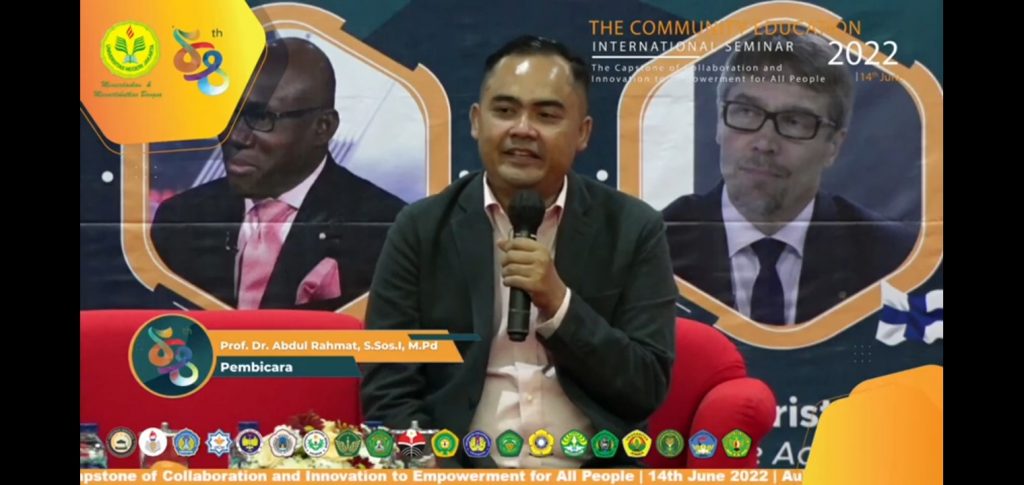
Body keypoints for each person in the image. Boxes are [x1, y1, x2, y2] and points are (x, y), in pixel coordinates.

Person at [360, 35, 677, 468]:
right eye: (505, 111)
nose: (522, 130)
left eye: (546, 115)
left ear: (582, 133)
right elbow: (388, 391)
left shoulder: (633, 229)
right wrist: (438, 471)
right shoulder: (420, 228)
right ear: (476, 121)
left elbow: (646, 386)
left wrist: (560, 304)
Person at [662, 31, 917, 325]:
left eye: (794, 122)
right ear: (720, 122)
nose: (764, 143)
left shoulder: (898, 261)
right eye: (747, 112)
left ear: (833, 146)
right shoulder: (652, 248)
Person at [151, 37, 406, 310]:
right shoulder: (180, 218)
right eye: (226, 115)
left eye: (261, 118)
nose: (235, 136)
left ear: (323, 127)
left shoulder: (387, 229)